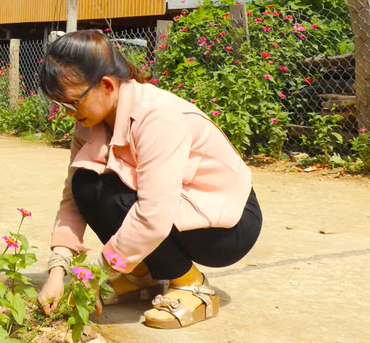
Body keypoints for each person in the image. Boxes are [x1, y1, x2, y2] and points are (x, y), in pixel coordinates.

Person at [36, 30, 262, 329]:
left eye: (72, 103)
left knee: (116, 197)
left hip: (225, 224)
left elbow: (153, 214)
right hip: (177, 207)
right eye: (62, 105)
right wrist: (58, 270)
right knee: (86, 185)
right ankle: (142, 273)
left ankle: (192, 286)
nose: (69, 113)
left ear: (105, 85)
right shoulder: (89, 122)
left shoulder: (157, 116)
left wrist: (95, 276)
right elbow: (73, 200)